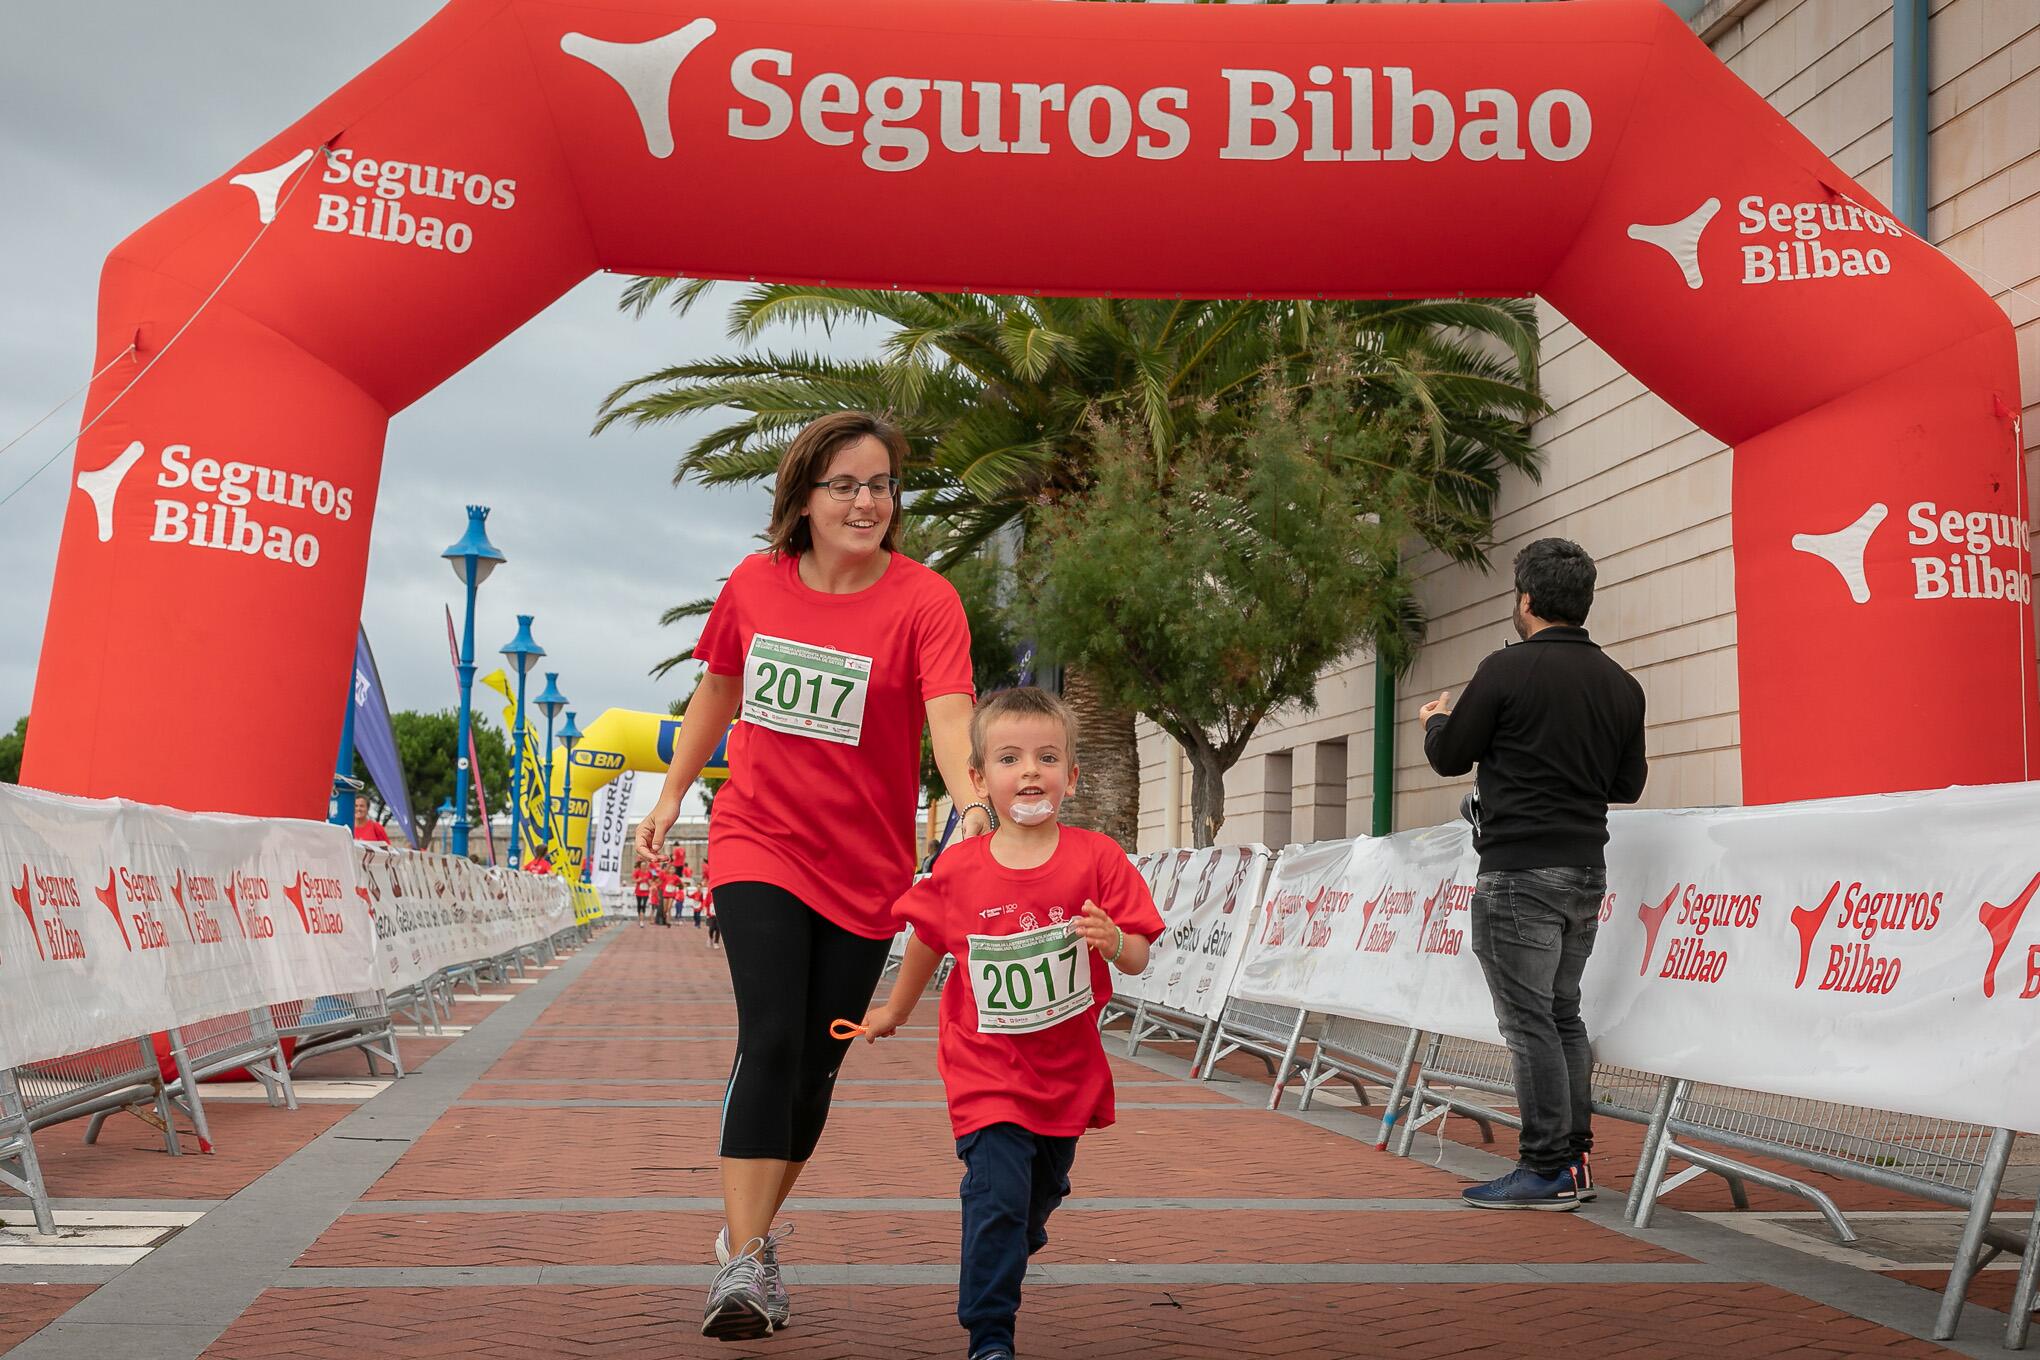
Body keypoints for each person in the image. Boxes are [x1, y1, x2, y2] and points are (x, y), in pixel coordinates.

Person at [632, 410, 982, 1342]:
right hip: (760, 838)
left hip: (868, 865)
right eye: (845, 486)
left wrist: (973, 800)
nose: (866, 502)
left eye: (880, 486)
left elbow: (951, 714)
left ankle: (748, 1232)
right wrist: (673, 797)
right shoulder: (755, 584)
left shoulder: (925, 601)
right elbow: (718, 689)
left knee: (817, 1070)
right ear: (804, 499)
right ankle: (744, 1266)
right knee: (774, 1034)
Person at [860, 687, 1163, 1360]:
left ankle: (1011, 1238)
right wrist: (895, 1010)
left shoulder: (1098, 859)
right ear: (978, 778)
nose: (1030, 771)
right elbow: (929, 940)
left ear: (1072, 776)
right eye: (1009, 758)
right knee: (996, 1198)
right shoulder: (960, 866)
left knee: (1037, 1193)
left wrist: (1114, 941)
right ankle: (989, 1334)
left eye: (1047, 757)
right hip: (984, 1069)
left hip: (1066, 1073)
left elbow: (1139, 953)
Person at [1421, 538, 1647, 1212]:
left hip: (1518, 872)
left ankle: (1546, 1166)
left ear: (1526, 599)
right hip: (1585, 870)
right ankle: (1572, 1162)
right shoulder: (1621, 685)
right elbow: (1628, 785)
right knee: (1561, 1015)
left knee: (1529, 1025)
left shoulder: (1504, 670)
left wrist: (1436, 722)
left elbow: (1451, 758)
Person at [633, 858, 654, 926]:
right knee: (639, 905)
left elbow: (651, 882)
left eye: (645, 865)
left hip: (646, 892)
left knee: (643, 905)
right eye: (642, 866)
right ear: (640, 866)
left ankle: (642, 920)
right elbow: (634, 880)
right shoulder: (637, 872)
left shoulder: (649, 873)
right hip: (638, 891)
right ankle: (640, 917)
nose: (643, 867)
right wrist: (638, 880)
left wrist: (650, 883)